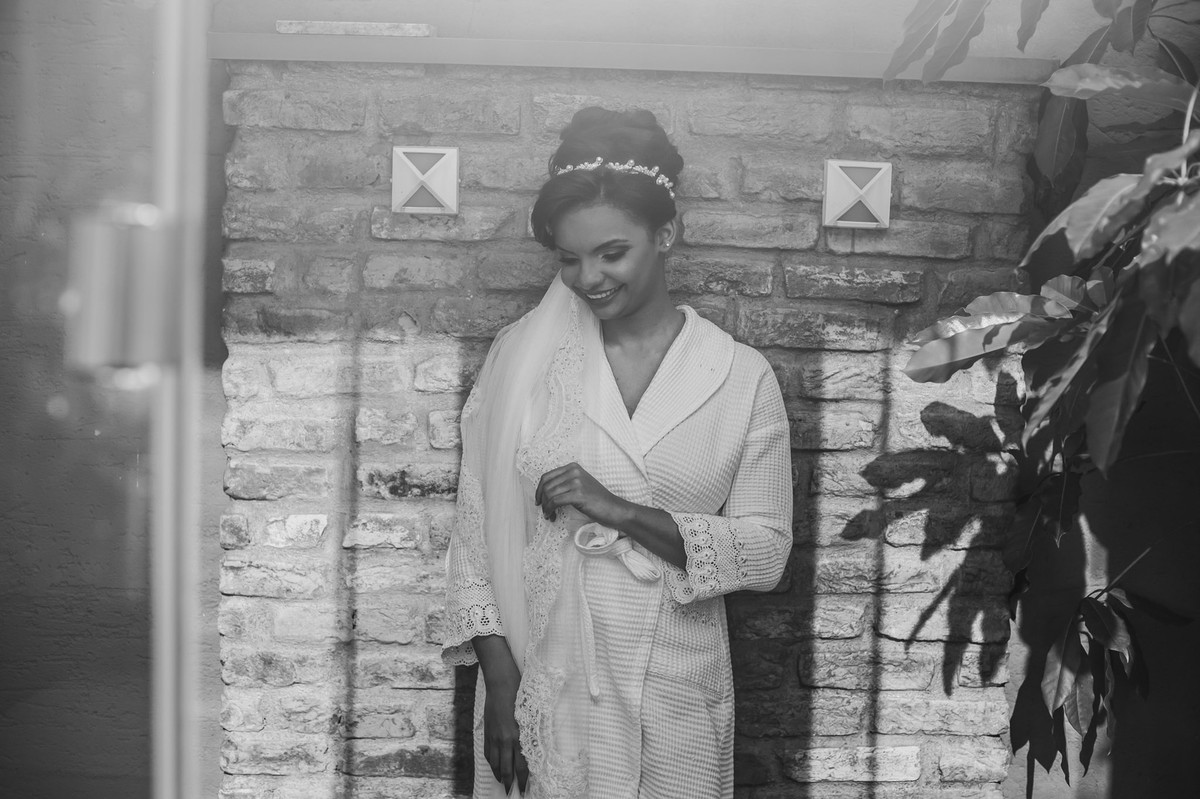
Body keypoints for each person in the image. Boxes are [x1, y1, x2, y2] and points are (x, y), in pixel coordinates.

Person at [441, 107, 793, 799]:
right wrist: (503, 683)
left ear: (666, 234)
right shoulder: (522, 359)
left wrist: (618, 510)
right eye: (569, 259)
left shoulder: (738, 374)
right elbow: (474, 533)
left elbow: (767, 550)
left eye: (611, 253)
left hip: (675, 688)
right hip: (545, 683)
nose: (589, 277)